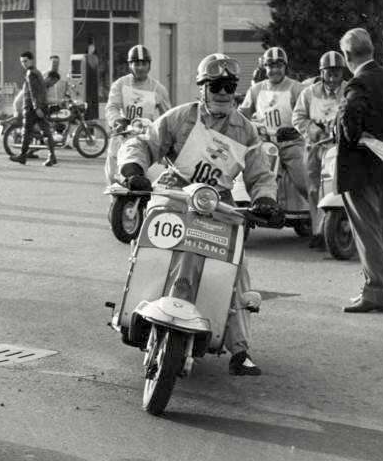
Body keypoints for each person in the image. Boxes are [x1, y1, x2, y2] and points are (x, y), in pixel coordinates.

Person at [117, 53, 278, 376]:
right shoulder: (180, 118)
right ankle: (134, 311)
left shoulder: (245, 131)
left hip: (218, 201)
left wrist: (265, 200)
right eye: (215, 85)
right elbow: (146, 143)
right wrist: (133, 167)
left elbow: (260, 174)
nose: (222, 92)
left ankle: (240, 348)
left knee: (238, 267)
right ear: (202, 88)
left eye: (229, 86)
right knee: (154, 246)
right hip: (175, 192)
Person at [335, 29, 383, 313]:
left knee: (367, 231)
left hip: (360, 169)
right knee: (376, 228)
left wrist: (347, 129)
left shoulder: (357, 83)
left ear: (348, 56)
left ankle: (375, 292)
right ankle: (377, 289)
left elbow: (350, 125)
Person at [239, 47, 309, 203]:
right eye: (271, 66)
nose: (275, 70)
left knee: (305, 183)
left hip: (292, 144)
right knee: (254, 179)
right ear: (265, 68)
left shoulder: (297, 88)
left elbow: (307, 115)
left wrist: (296, 131)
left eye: (279, 66)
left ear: (285, 67)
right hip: (264, 145)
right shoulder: (256, 90)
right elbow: (242, 116)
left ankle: (319, 218)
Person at [292, 51, 347, 248]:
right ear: (322, 73)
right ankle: (318, 231)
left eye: (336, 74)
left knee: (338, 186)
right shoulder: (308, 93)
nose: (332, 79)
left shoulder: (349, 91)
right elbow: (297, 117)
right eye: (328, 74)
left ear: (342, 73)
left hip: (341, 147)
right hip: (315, 147)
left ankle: (339, 226)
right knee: (315, 189)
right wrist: (313, 129)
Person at [103, 45, 171, 181]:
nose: (140, 67)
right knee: (113, 178)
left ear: (149, 65)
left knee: (143, 181)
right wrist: (117, 120)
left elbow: (168, 117)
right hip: (121, 137)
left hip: (145, 141)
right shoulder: (120, 84)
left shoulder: (158, 88)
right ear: (130, 65)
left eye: (143, 63)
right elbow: (112, 107)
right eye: (136, 63)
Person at [10, 52, 57, 167]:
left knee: (26, 132)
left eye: (25, 61)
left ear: (31, 60)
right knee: (46, 132)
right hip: (38, 107)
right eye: (22, 61)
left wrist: (36, 107)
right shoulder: (37, 72)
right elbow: (41, 91)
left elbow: (33, 92)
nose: (23, 64)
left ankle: (22, 156)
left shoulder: (31, 73)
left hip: (31, 108)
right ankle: (52, 156)